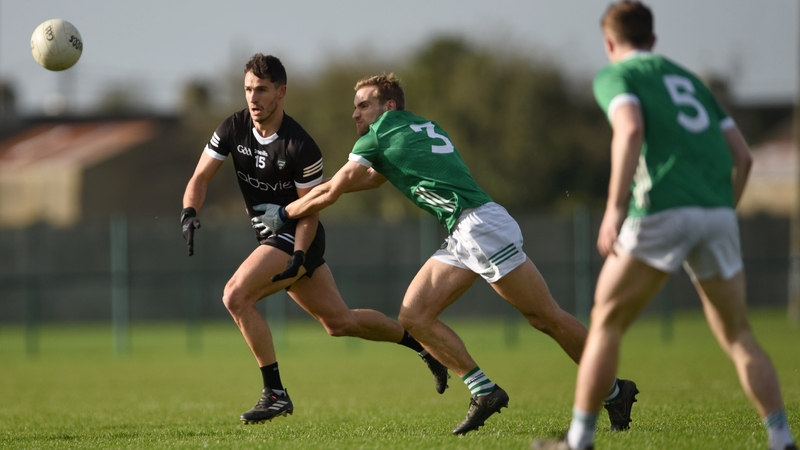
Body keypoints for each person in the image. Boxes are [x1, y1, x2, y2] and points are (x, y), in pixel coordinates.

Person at [252, 74, 638, 435]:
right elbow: (371, 179)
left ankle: (614, 391)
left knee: (546, 317)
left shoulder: (380, 133)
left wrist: (285, 212)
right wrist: (317, 196)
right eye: (355, 106)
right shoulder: (418, 126)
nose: (355, 113)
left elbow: (332, 190)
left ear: (388, 107)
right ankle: (484, 390)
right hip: (466, 231)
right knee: (414, 315)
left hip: (480, 228)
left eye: (364, 105)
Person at [532, 2, 797, 450]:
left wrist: (615, 208)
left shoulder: (617, 74)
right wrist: (721, 211)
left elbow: (630, 129)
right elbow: (744, 156)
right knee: (739, 335)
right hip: (716, 213)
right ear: (653, 40)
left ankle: (578, 440)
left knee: (606, 322)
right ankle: (781, 438)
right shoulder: (690, 80)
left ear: (609, 42)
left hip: (661, 210)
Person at [180, 54, 449, 425]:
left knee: (235, 296)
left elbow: (310, 208)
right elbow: (200, 177)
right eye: (247, 90)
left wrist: (300, 254)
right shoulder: (232, 128)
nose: (253, 98)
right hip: (272, 240)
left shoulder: (300, 145)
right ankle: (422, 346)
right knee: (340, 323)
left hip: (296, 236)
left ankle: (275, 393)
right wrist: (189, 211)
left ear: (281, 92)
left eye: (261, 90)